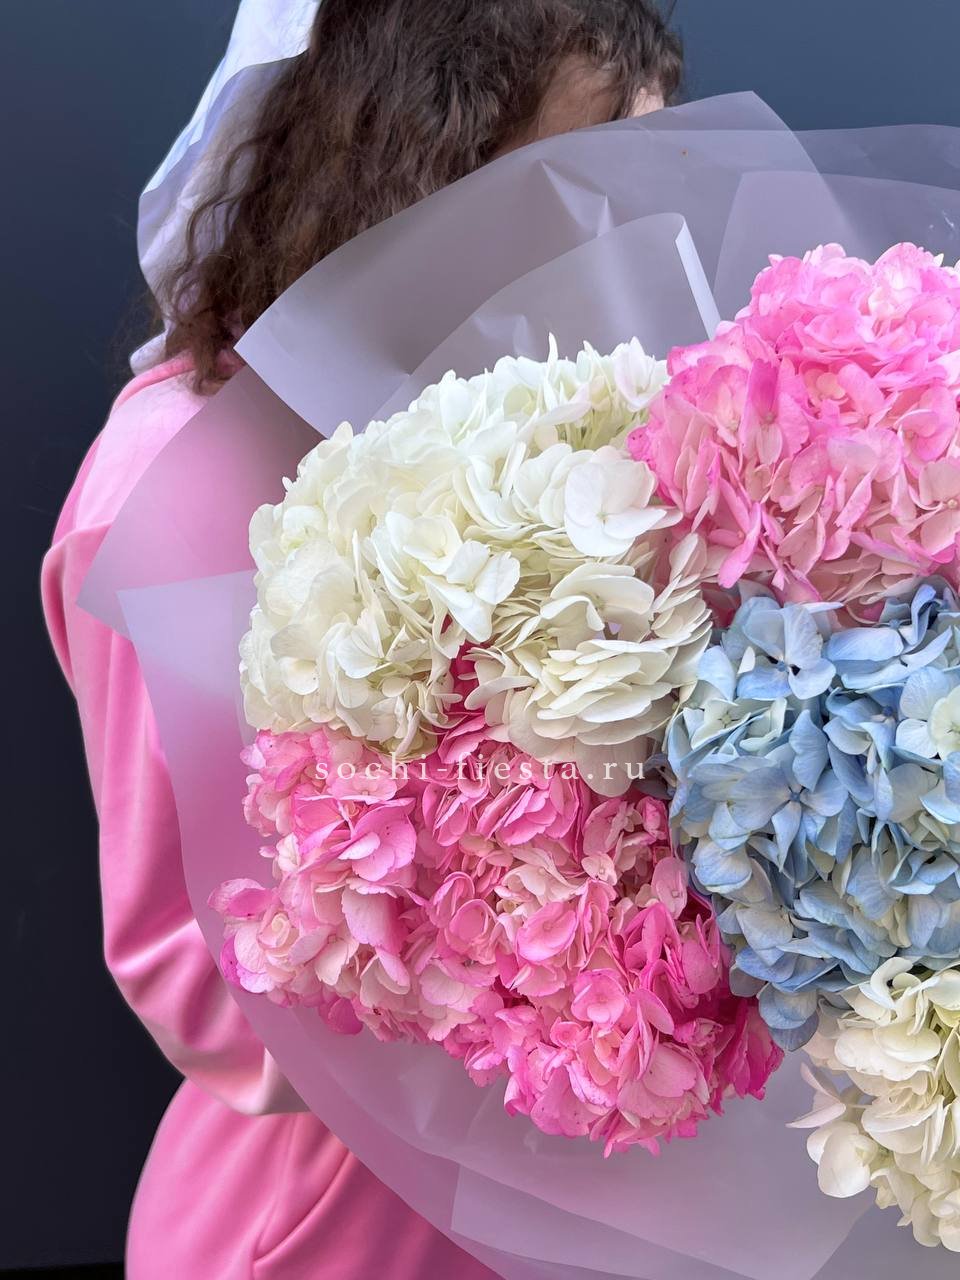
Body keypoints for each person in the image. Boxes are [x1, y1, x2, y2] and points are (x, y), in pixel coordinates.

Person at [42, 3, 682, 1276]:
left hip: (587, 1193)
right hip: (334, 1221)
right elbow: (200, 977)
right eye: (570, 179)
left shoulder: (574, 425)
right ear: (423, 161)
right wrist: (562, 961)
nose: (610, 230)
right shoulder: (169, 479)